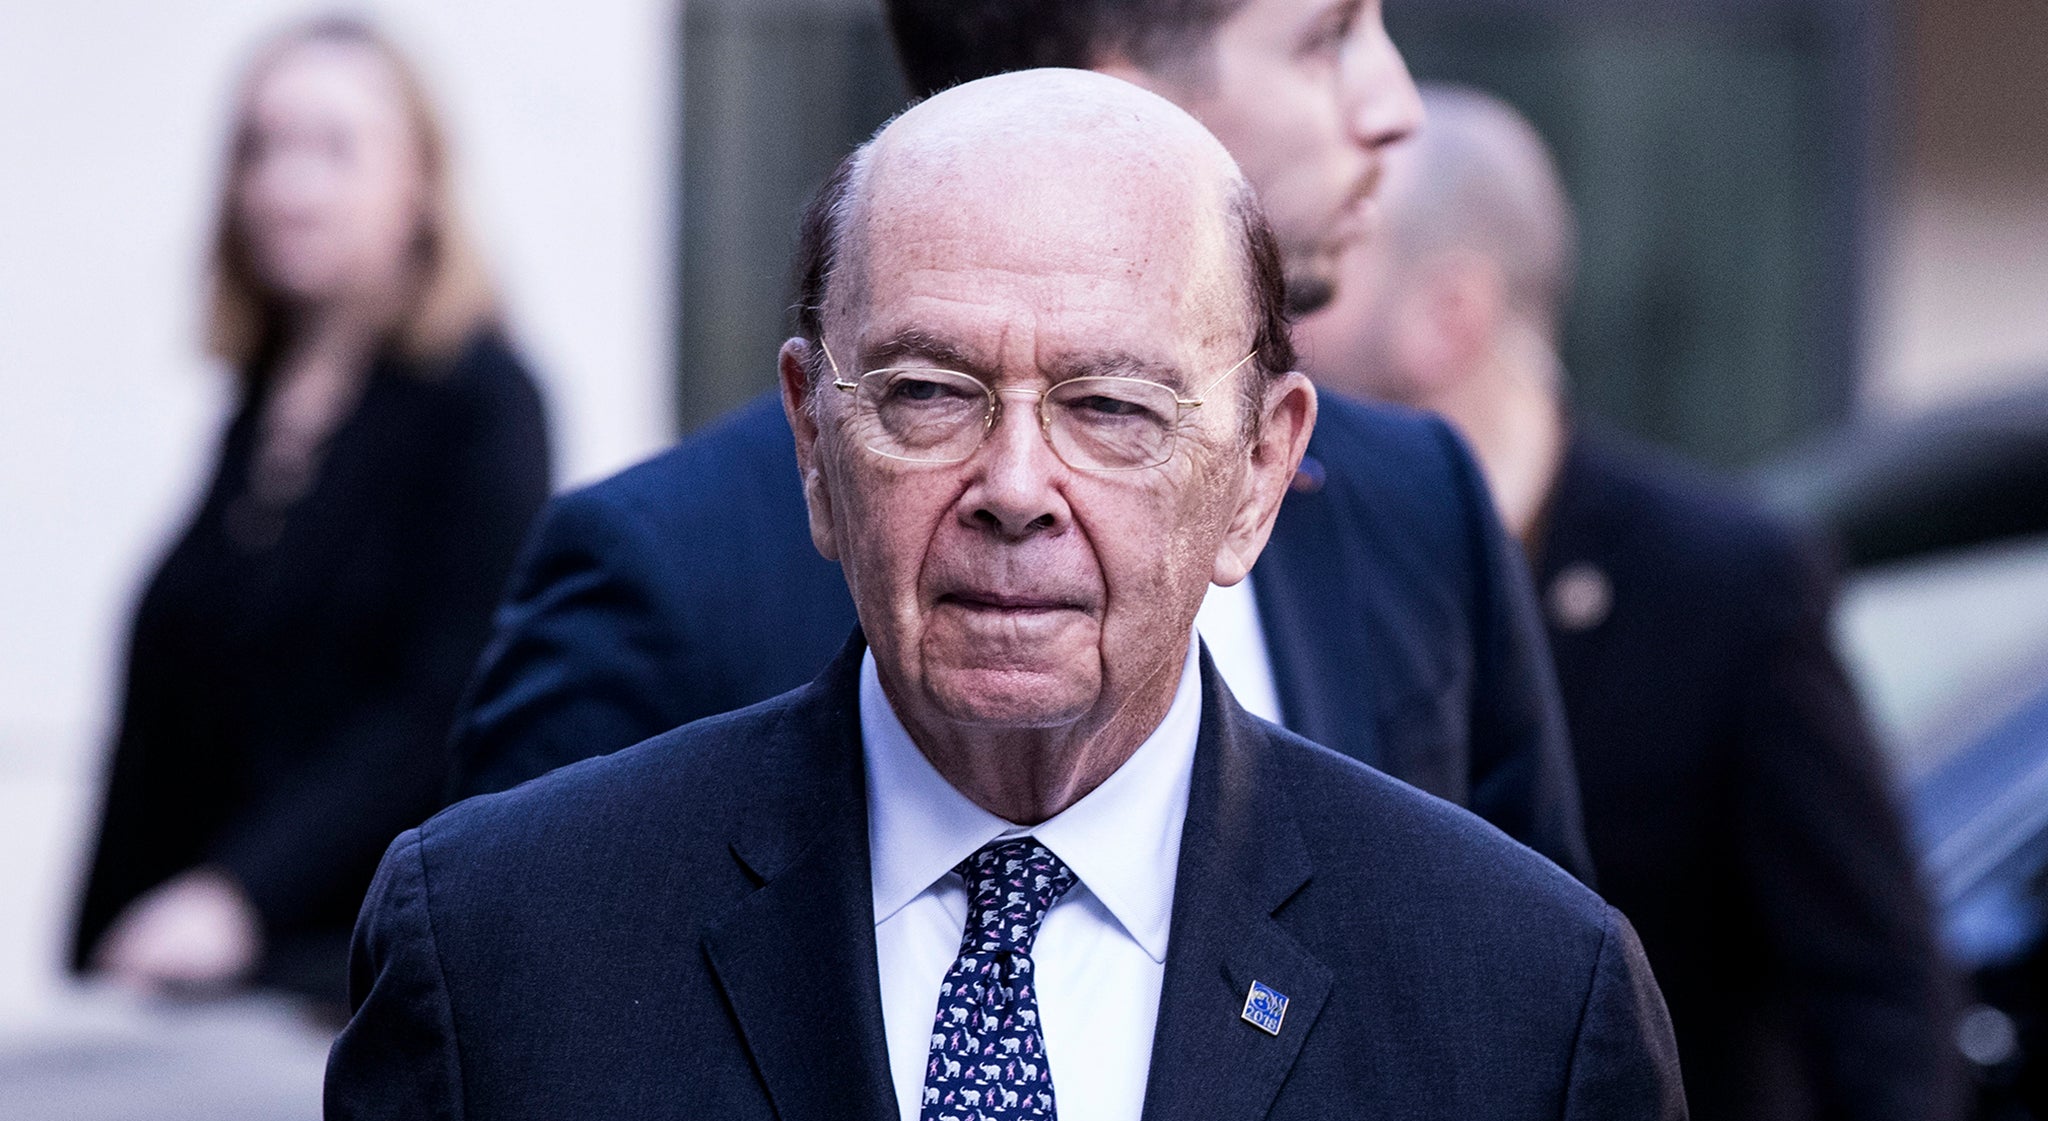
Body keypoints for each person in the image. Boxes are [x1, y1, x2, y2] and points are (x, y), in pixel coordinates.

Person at [247, 72, 1714, 1121]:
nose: (1016, 485)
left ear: (1263, 472)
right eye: (929, 395)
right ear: (813, 442)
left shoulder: (1521, 1008)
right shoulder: (510, 954)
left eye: (1110, 406)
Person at [448, 0, 1593, 885]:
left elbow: (1509, 1035)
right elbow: (534, 1061)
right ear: (1103, 97)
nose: (1393, 106)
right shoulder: (664, 577)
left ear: (1260, 468)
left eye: (1111, 412)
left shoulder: (1415, 502)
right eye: (1325, 39)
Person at [1296, 85, 1963, 1121]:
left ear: (1450, 315)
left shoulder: (1723, 587)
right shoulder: (1295, 575)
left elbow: (1893, 1036)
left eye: (1319, 289)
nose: (1275, 331)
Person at [71, 17, 550, 1009]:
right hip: (180, 983)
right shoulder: (257, 404)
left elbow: (439, 703)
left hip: (349, 986)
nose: (286, 185)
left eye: (333, 148)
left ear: (419, 181)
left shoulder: (479, 400)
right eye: (262, 146)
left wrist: (234, 898)